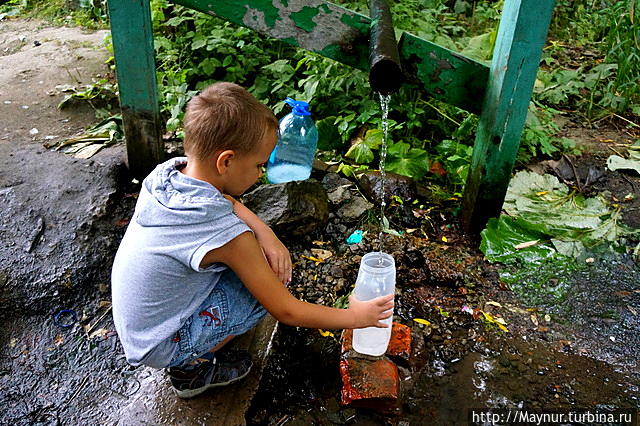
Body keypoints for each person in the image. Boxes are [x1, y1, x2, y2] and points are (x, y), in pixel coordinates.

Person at [111, 82, 394, 399]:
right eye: (259, 165)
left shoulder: (167, 174)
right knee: (268, 285)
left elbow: (225, 199)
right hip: (161, 343)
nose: (262, 173)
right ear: (226, 161)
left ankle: (192, 346)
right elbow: (286, 310)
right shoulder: (229, 237)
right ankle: (190, 369)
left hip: (139, 323)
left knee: (254, 263)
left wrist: (265, 231)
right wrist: (356, 318)